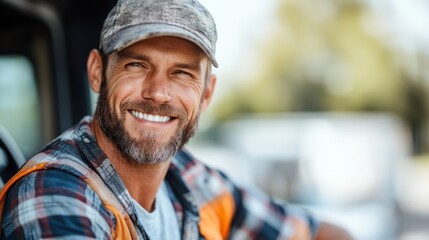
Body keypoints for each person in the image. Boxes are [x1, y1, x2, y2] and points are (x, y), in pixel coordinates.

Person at [0, 0, 353, 239]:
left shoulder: (191, 180)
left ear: (206, 94)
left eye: (182, 73)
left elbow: (312, 231)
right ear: (97, 72)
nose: (158, 93)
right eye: (137, 65)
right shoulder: (51, 192)